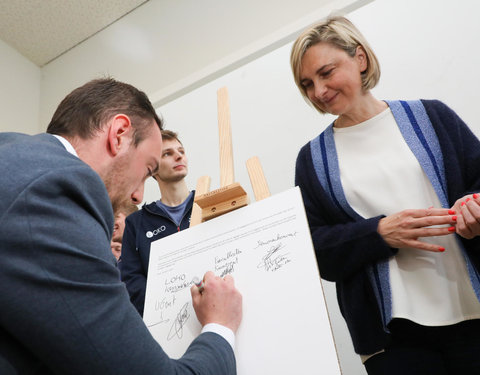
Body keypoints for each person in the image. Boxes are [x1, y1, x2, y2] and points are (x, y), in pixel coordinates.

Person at [0, 78, 242, 375]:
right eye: (147, 170)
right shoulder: (57, 192)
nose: (139, 195)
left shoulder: (15, 154)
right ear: (119, 135)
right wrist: (220, 326)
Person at [291, 16, 480, 374]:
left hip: (472, 310)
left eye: (326, 72)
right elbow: (315, 251)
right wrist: (377, 234)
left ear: (360, 59)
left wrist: (473, 210)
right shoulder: (312, 159)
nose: (318, 91)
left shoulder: (432, 116)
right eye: (307, 84)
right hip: (394, 339)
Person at [120, 129, 194, 316]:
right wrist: (164, 308)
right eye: (167, 154)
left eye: (181, 151)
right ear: (153, 168)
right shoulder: (136, 223)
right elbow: (132, 280)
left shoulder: (209, 205)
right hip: (163, 321)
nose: (178, 156)